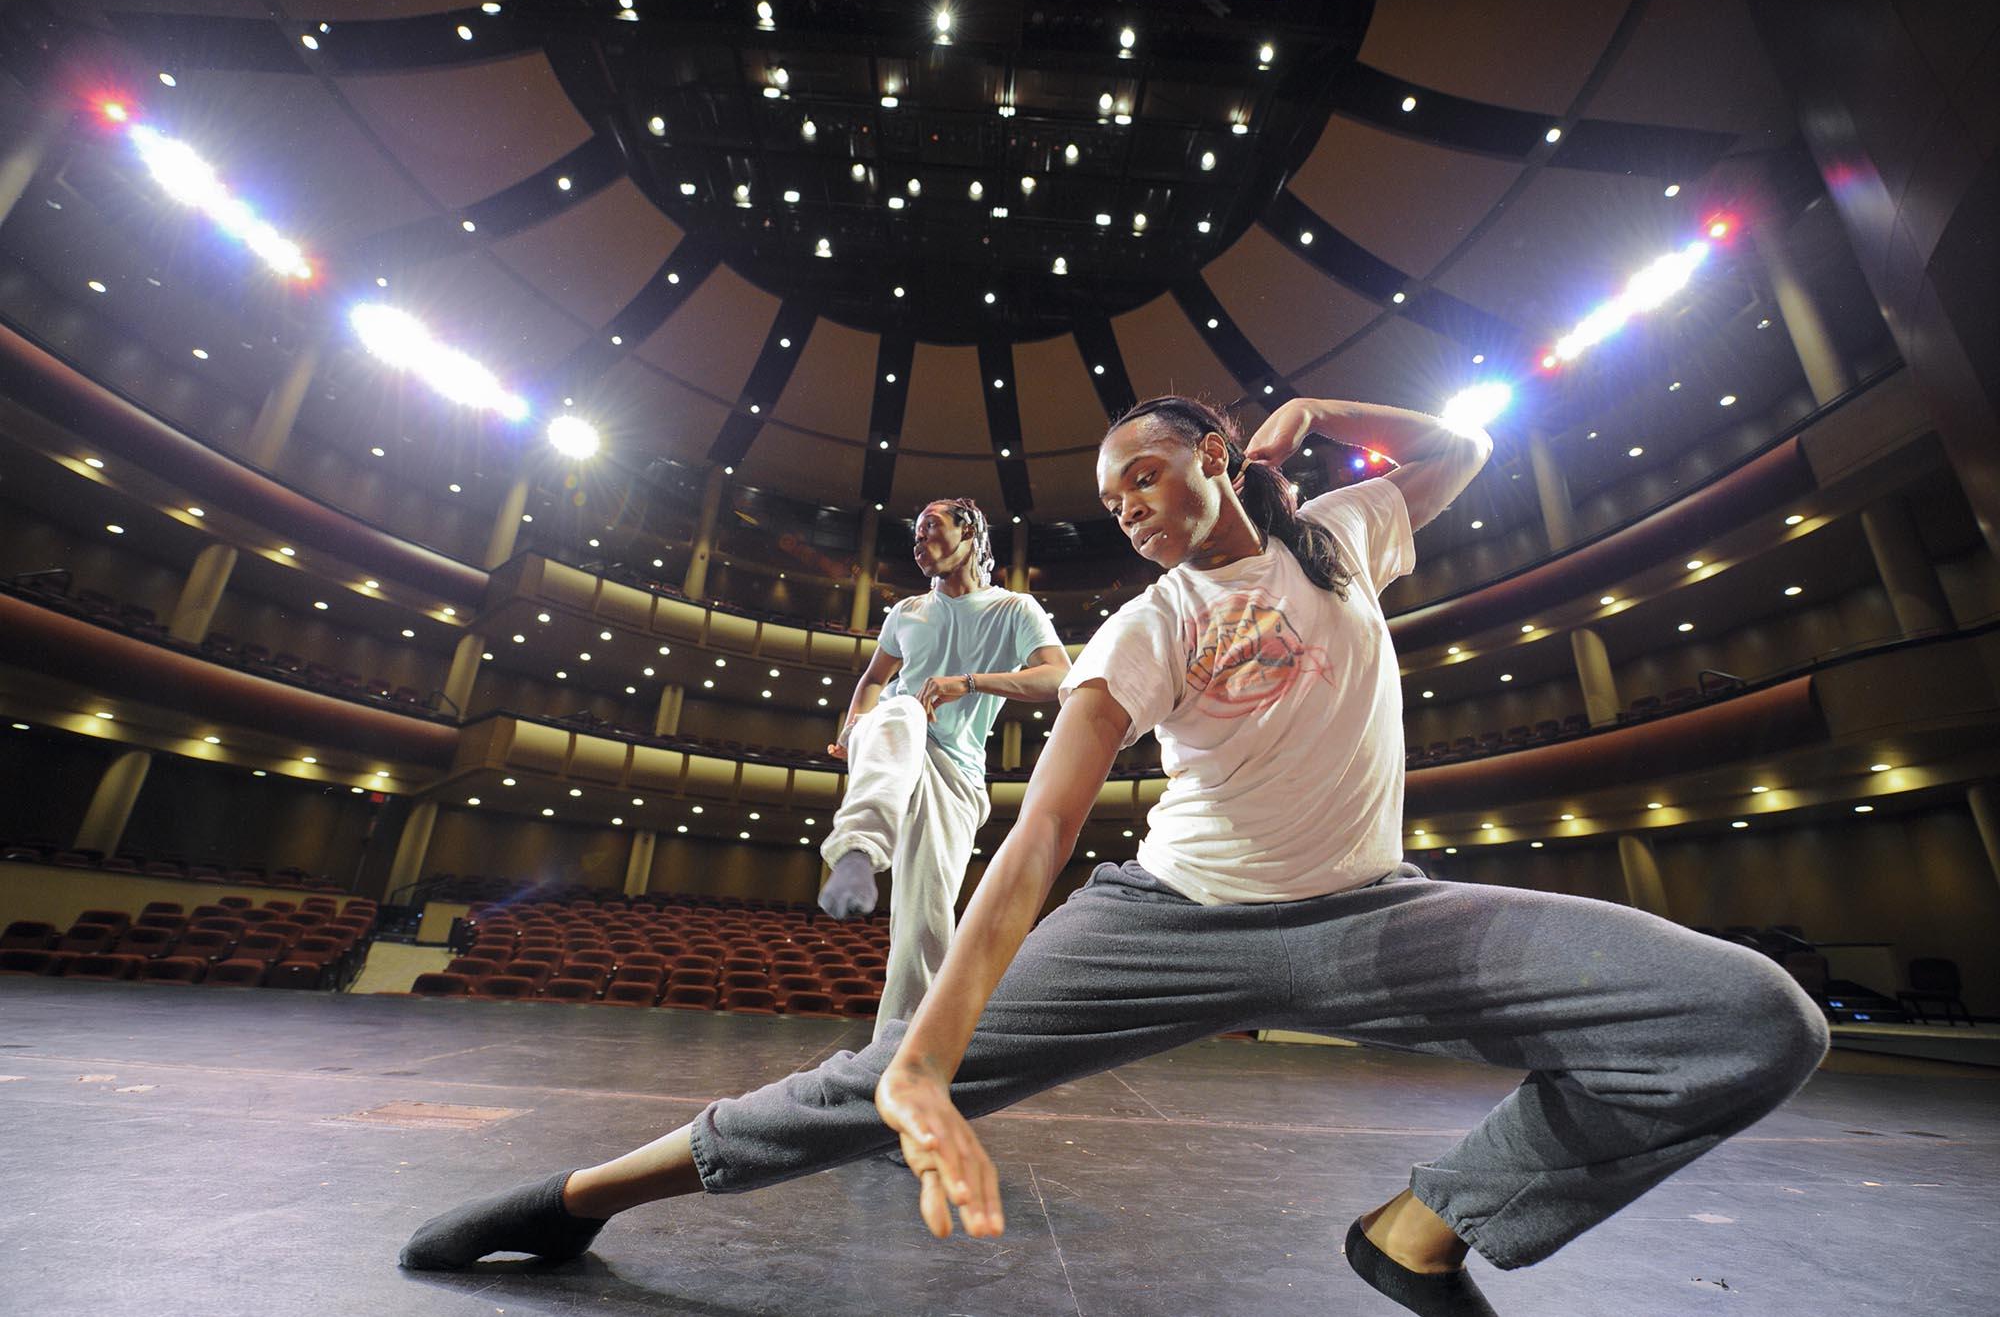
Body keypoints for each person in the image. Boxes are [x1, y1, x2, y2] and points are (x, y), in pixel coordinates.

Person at [401, 395, 1828, 1317]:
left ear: (1221, 457)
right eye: (1115, 495)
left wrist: (1324, 413)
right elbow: (1040, 838)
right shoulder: (1147, 626)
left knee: (1756, 1019)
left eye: (1150, 473)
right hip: (1174, 919)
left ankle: (1424, 1225)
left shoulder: (1340, 537)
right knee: (866, 1090)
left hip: (1377, 912)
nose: (1132, 506)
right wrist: (922, 1060)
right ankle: (571, 1199)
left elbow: (1465, 452)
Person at [816, 495, 1070, 1042]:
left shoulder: (1014, 610)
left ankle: (898, 1059)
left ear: (971, 532)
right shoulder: (906, 611)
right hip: (894, 739)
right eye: (915, 532)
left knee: (926, 926)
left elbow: (1056, 678)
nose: (918, 540)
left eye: (931, 526)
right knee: (902, 707)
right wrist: (851, 725)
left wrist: (971, 681)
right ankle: (858, 848)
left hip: (956, 774)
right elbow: (873, 683)